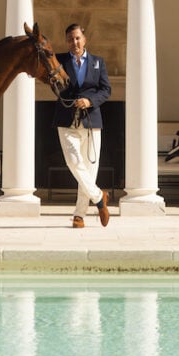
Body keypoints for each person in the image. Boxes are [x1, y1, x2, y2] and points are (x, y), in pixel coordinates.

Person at [53, 23, 112, 228]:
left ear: (84, 39)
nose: (74, 42)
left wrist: (90, 101)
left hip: (91, 121)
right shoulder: (59, 61)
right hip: (66, 119)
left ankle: (79, 215)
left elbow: (106, 90)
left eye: (77, 38)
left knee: (89, 169)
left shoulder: (98, 62)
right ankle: (99, 197)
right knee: (73, 162)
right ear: (66, 41)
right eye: (70, 39)